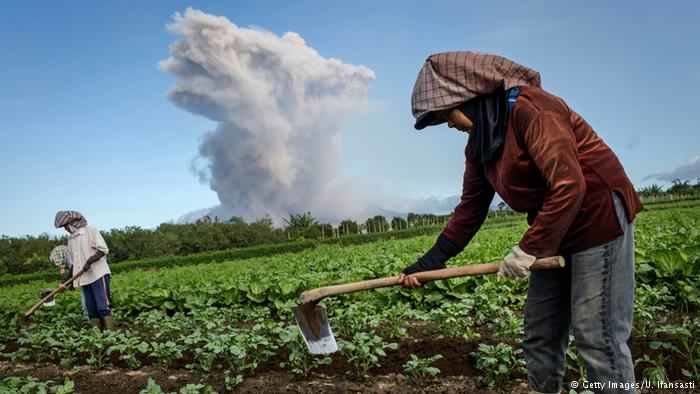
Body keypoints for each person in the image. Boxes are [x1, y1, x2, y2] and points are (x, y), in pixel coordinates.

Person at [398, 52, 641, 394]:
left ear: (467, 97)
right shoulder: (480, 144)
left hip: (596, 219)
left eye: (446, 115)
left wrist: (528, 249)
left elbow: (570, 184)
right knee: (540, 336)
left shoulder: (532, 109)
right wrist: (431, 261)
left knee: (596, 334)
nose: (449, 125)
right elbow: (471, 209)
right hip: (554, 229)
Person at [54, 210, 114, 330]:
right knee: (91, 309)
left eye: (65, 226)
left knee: (103, 306)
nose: (65, 229)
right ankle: (97, 337)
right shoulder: (71, 240)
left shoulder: (90, 231)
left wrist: (89, 262)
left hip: (98, 274)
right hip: (84, 278)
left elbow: (103, 250)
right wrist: (65, 282)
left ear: (73, 222)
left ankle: (111, 334)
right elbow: (73, 265)